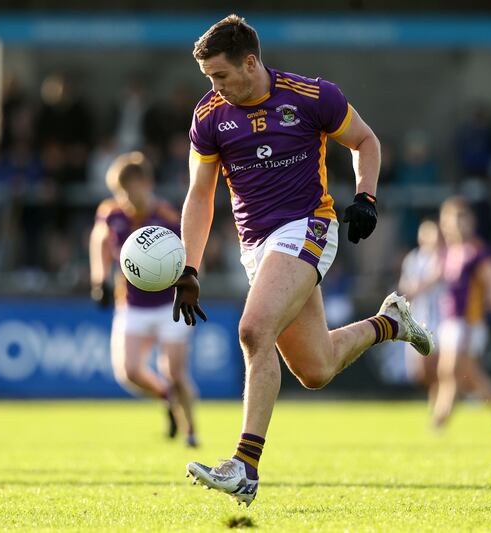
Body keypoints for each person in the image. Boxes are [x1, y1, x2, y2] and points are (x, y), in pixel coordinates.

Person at [178, 15, 434, 507]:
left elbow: (367, 141)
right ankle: (391, 323)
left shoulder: (312, 96)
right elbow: (199, 195)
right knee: (315, 369)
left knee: (254, 331)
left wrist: (366, 198)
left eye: (221, 76)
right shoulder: (209, 116)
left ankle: (244, 467)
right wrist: (189, 268)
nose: (215, 87)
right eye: (210, 78)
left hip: (309, 226)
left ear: (250, 62)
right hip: (257, 247)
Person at [88, 151, 197, 446]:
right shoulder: (111, 213)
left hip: (168, 306)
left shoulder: (166, 218)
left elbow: (188, 252)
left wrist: (189, 285)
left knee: (174, 371)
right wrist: (99, 279)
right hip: (132, 305)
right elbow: (99, 239)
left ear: (146, 184)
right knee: (129, 372)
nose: (125, 197)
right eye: (120, 191)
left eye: (130, 189)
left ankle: (191, 431)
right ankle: (167, 399)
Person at [431, 197, 491, 430]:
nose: (456, 224)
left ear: (471, 222)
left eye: (461, 218)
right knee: (462, 372)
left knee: (452, 370)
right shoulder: (448, 252)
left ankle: (440, 419)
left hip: (469, 320)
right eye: (451, 219)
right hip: (450, 319)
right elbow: (436, 278)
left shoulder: (477, 251)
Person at [398, 219, 444, 408]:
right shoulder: (413, 258)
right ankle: (443, 397)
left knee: (437, 365)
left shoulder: (444, 257)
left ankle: (441, 403)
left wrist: (421, 286)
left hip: (440, 318)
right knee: (419, 371)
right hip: (419, 317)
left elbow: (437, 278)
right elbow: (404, 287)